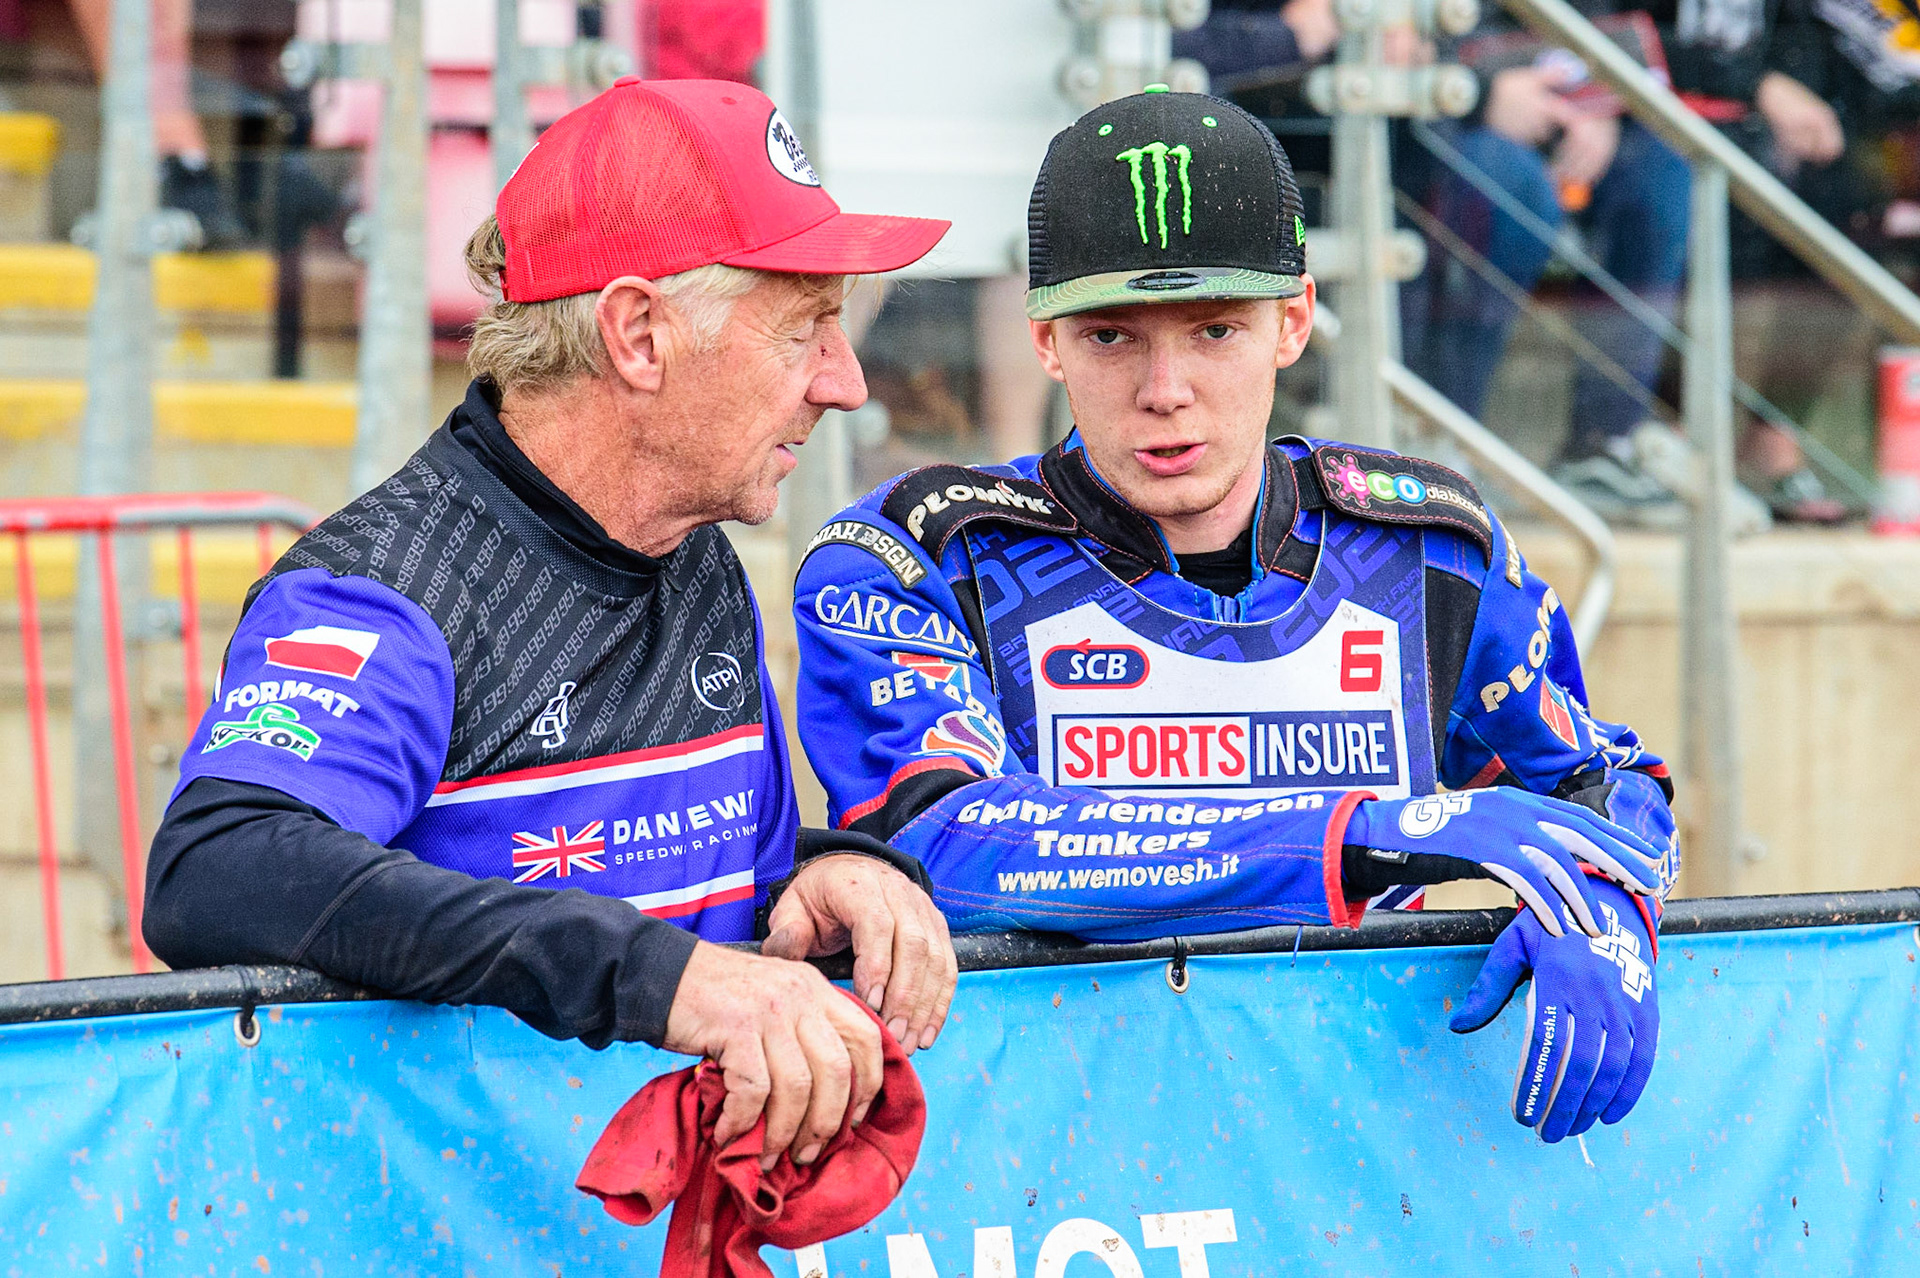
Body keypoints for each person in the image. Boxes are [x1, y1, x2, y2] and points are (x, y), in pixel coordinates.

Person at [791, 87, 1679, 1143]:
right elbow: (946, 843)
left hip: (1364, 1151)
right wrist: (1366, 839)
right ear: (1045, 340)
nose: (1168, 389)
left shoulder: (1430, 548)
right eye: (1113, 335)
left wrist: (1609, 898)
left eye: (1216, 328)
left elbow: (1603, 780)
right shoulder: (919, 555)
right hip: (1049, 1155)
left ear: (1293, 322)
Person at [143, 78, 959, 1172]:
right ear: (637, 334)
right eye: (806, 326)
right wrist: (663, 979)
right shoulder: (389, 589)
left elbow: (683, 929)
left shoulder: (693, 546)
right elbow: (218, 867)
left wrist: (818, 880)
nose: (848, 382)